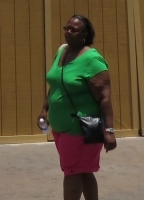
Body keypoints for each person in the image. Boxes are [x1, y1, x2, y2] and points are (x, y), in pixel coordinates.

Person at [38, 15, 116, 200]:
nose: (69, 32)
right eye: (67, 28)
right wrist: (44, 109)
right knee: (83, 171)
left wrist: (110, 130)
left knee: (72, 172)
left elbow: (105, 98)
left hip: (80, 128)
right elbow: (56, 84)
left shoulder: (92, 59)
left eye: (74, 30)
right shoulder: (62, 51)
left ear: (85, 34)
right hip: (60, 127)